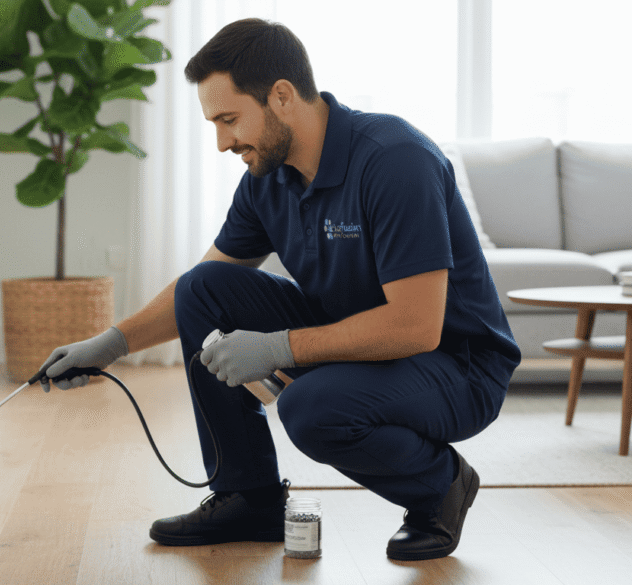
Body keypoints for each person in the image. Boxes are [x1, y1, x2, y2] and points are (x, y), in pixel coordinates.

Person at [38, 18, 521, 561]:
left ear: (282, 96)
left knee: (312, 411)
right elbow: (199, 289)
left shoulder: (394, 161)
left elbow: (415, 326)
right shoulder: (267, 179)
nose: (222, 142)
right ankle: (248, 495)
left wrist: (278, 348)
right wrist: (111, 344)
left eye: (229, 119)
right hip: (356, 342)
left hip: (454, 366)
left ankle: (440, 486)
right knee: (204, 288)